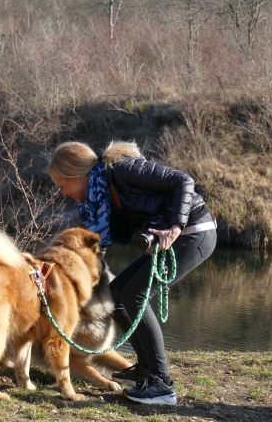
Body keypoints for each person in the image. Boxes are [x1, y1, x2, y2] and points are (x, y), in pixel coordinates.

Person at [48, 141, 217, 405]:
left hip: (194, 233)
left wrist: (175, 225)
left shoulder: (123, 171)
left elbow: (184, 181)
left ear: (76, 175)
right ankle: (148, 370)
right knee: (116, 296)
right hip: (167, 240)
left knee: (136, 294)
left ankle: (162, 386)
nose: (63, 194)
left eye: (62, 185)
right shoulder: (98, 199)